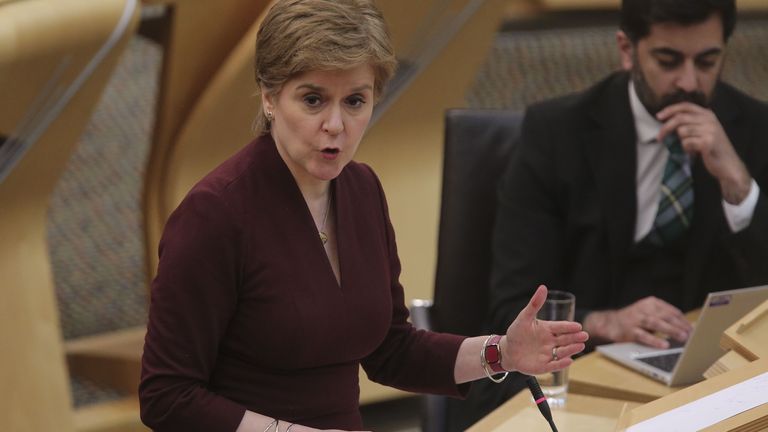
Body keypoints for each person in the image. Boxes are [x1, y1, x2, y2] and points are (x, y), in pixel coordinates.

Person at [138, 1, 588, 431]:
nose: (336, 124)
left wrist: (502, 353)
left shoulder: (362, 189)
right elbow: (167, 396)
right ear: (269, 97)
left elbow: (390, 348)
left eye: (355, 101)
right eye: (313, 100)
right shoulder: (214, 214)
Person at [489, 0, 768, 371]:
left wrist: (738, 185)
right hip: (582, 363)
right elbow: (513, 304)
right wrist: (606, 322)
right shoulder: (556, 133)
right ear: (627, 50)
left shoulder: (755, 127)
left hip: (709, 368)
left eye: (706, 62)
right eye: (668, 61)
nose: (688, 82)